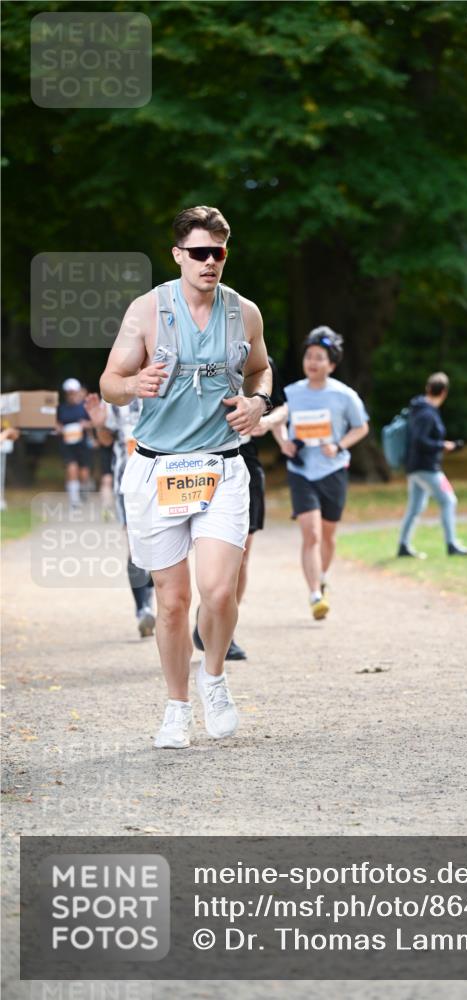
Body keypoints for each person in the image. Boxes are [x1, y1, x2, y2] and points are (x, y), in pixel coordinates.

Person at [100, 205, 272, 749]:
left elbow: (262, 367)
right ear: (177, 255)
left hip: (220, 465)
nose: (209, 262)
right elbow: (108, 381)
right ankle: (177, 708)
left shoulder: (244, 313)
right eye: (198, 252)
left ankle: (213, 677)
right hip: (157, 468)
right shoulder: (147, 311)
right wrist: (133, 387)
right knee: (172, 602)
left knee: (219, 591)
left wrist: (258, 401)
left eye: (218, 252)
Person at [192, 356, 287, 659]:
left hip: (244, 459)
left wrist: (267, 419)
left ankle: (223, 628)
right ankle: (202, 613)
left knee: (240, 554)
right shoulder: (198, 355)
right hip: (198, 462)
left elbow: (282, 404)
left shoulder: (260, 364)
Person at [274, 327, 369, 620]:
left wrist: (338, 445)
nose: (312, 362)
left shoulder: (344, 395)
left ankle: (323, 575)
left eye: (320, 358)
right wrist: (283, 442)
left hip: (333, 470)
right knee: (311, 534)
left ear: (332, 365)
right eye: (309, 356)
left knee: (327, 535)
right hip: (301, 471)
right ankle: (315, 594)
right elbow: (277, 419)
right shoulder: (290, 393)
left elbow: (361, 427)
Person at [84, 393, 156, 638]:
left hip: (162, 481)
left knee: (162, 546)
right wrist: (99, 425)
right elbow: (106, 440)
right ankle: (143, 608)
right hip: (127, 482)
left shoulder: (166, 386)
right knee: (135, 546)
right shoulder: (114, 397)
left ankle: (160, 604)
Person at [397, 372, 467, 559]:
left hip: (414, 467)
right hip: (427, 468)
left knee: (415, 507)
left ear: (428, 388)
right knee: (449, 500)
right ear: (444, 392)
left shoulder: (418, 409)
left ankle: (403, 545)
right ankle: (451, 544)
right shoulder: (427, 413)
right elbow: (420, 440)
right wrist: (443, 445)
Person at [56, 378, 93, 509]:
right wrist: (59, 428)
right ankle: (74, 500)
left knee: (83, 472)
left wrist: (85, 425)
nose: (71, 395)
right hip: (67, 444)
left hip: (82, 443)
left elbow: (93, 422)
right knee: (71, 469)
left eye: (73, 392)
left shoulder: (84, 407)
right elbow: (56, 424)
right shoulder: (61, 408)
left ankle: (83, 488)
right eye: (69, 392)